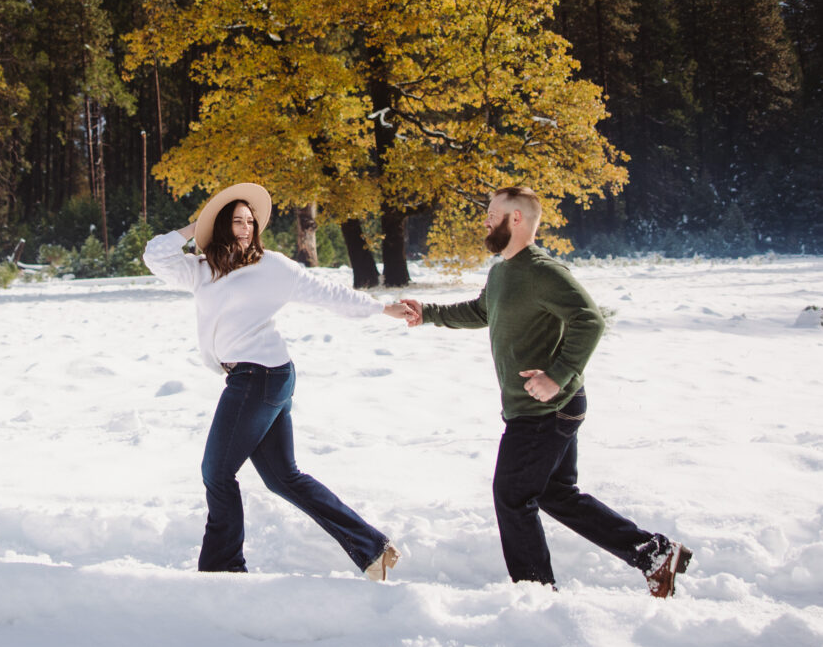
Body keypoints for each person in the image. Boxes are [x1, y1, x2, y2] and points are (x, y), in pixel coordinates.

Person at [398, 186, 692, 597]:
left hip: (547, 409)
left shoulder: (543, 270)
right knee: (556, 493)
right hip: (536, 407)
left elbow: (590, 321)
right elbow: (483, 310)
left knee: (513, 496)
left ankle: (534, 596)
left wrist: (558, 374)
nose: (485, 220)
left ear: (516, 219)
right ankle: (653, 553)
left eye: (493, 213)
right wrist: (428, 313)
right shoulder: (503, 270)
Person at [144, 182, 413, 579]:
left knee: (216, 472)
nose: (246, 227)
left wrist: (381, 308)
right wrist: (194, 226)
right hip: (254, 377)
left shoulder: (272, 266)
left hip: (261, 376)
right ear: (219, 225)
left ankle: (224, 569)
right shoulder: (202, 271)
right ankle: (373, 548)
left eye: (250, 221)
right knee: (283, 478)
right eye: (237, 221)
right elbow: (155, 255)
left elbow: (327, 292)